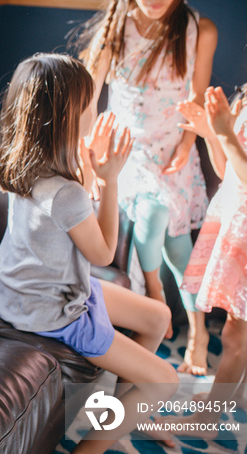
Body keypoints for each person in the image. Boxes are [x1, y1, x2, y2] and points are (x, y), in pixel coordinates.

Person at [0, 53, 178, 454]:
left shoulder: (23, 165)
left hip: (22, 292)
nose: (95, 110)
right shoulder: (67, 192)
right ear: (66, 117)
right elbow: (104, 252)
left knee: (157, 318)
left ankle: (123, 411)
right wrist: (111, 179)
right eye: (88, 104)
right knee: (167, 379)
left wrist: (93, 168)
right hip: (54, 310)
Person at [74, 0, 218, 376]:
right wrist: (87, 156)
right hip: (128, 154)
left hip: (173, 153)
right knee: (153, 216)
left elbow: (196, 99)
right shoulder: (114, 29)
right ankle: (156, 296)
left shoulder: (200, 31)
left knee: (177, 247)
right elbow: (87, 102)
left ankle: (198, 335)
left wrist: (187, 148)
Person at [168, 23, 247, 431]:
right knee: (243, 324)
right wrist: (209, 134)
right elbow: (227, 171)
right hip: (235, 223)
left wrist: (224, 133)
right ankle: (235, 393)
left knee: (238, 332)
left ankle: (208, 416)